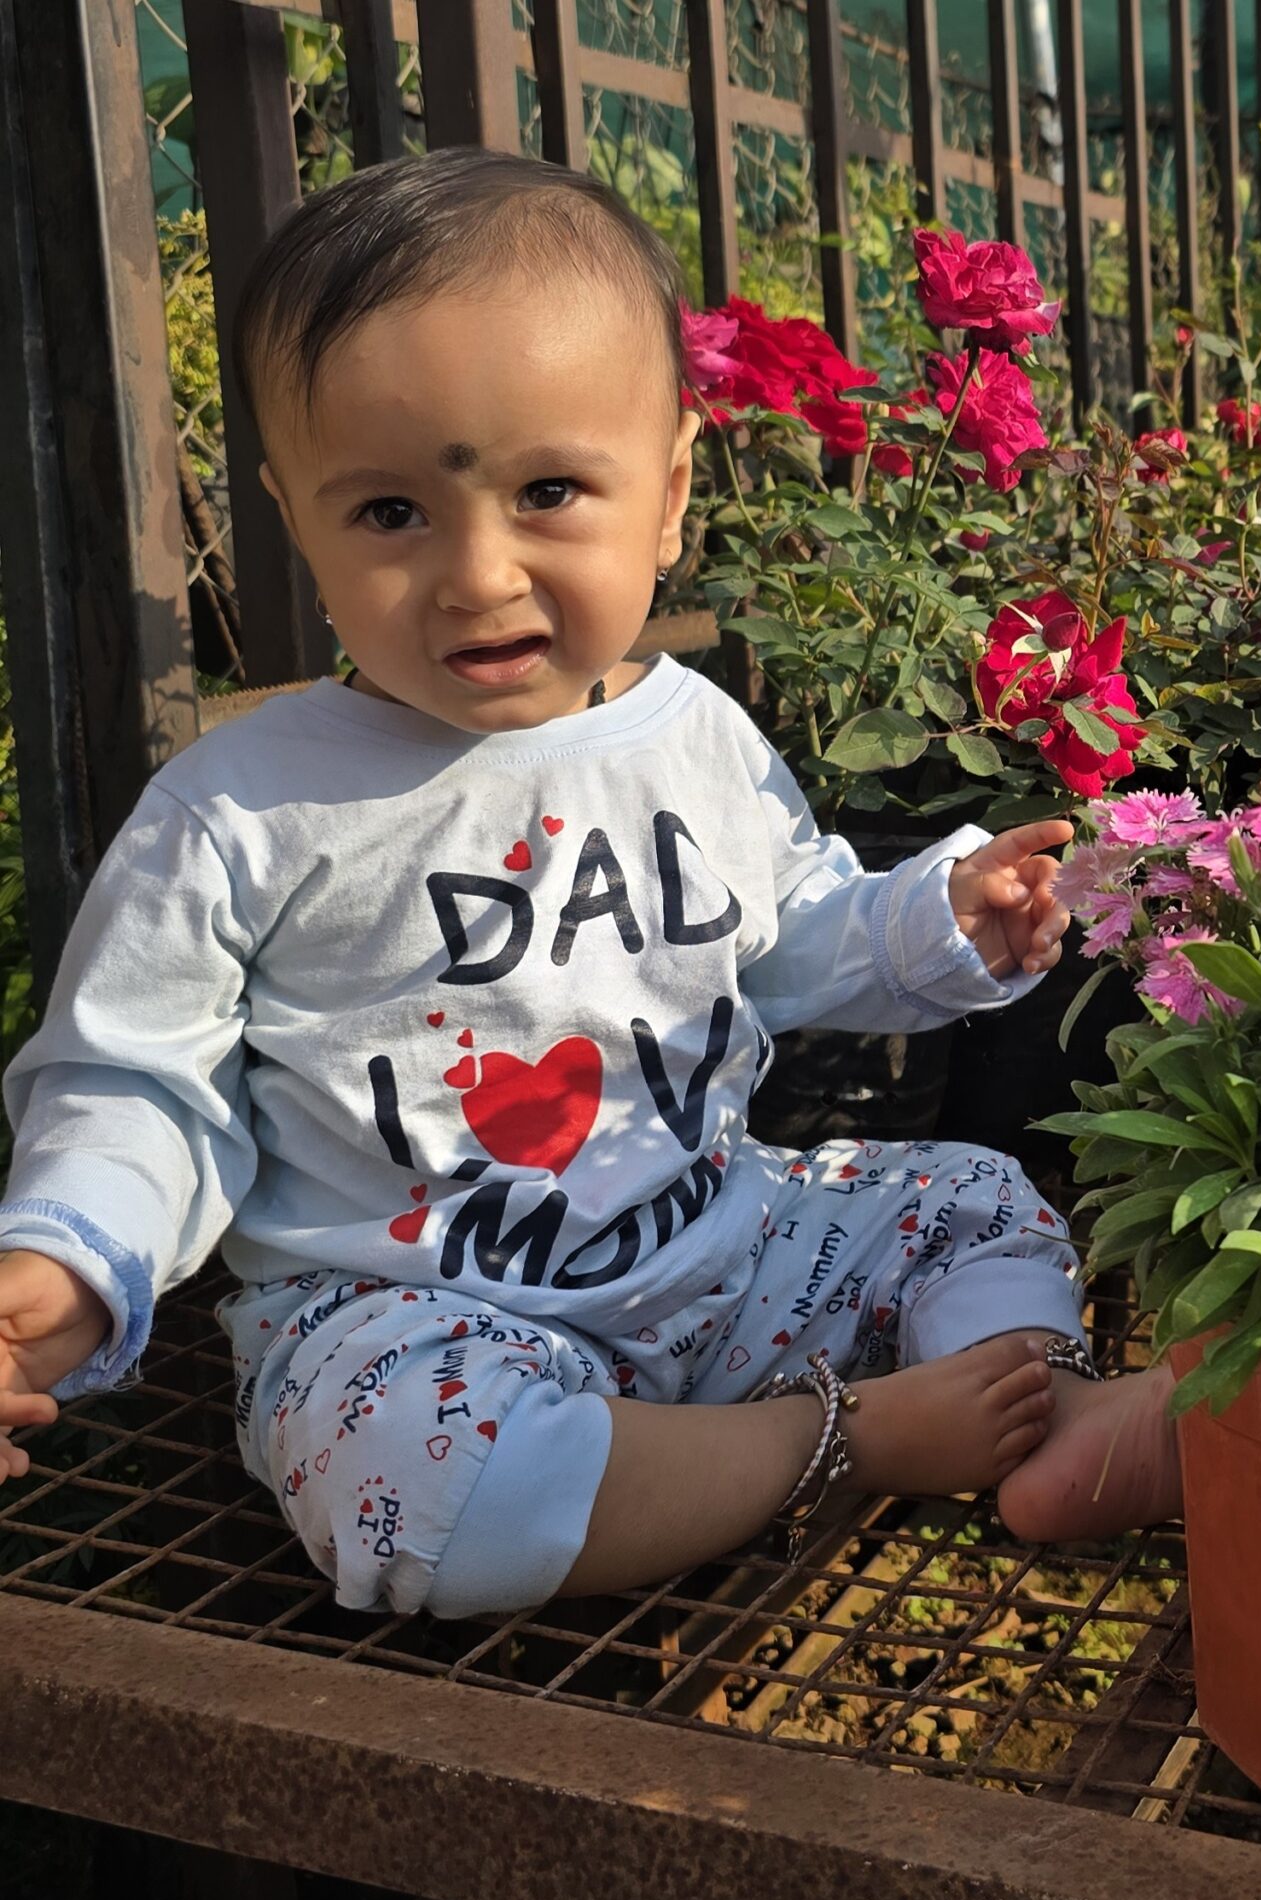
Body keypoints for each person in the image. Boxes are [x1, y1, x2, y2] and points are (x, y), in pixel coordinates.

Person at [0, 148, 1180, 1616]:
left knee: (974, 1200)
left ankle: (1051, 1427)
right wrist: (59, 1272)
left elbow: (798, 934)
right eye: (388, 514)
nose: (478, 574)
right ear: (296, 515)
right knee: (423, 1488)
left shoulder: (687, 734)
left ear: (671, 491)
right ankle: (848, 1441)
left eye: (548, 490)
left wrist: (937, 917)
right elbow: (135, 1081)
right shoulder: (243, 808)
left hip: (728, 1247)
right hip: (416, 1318)